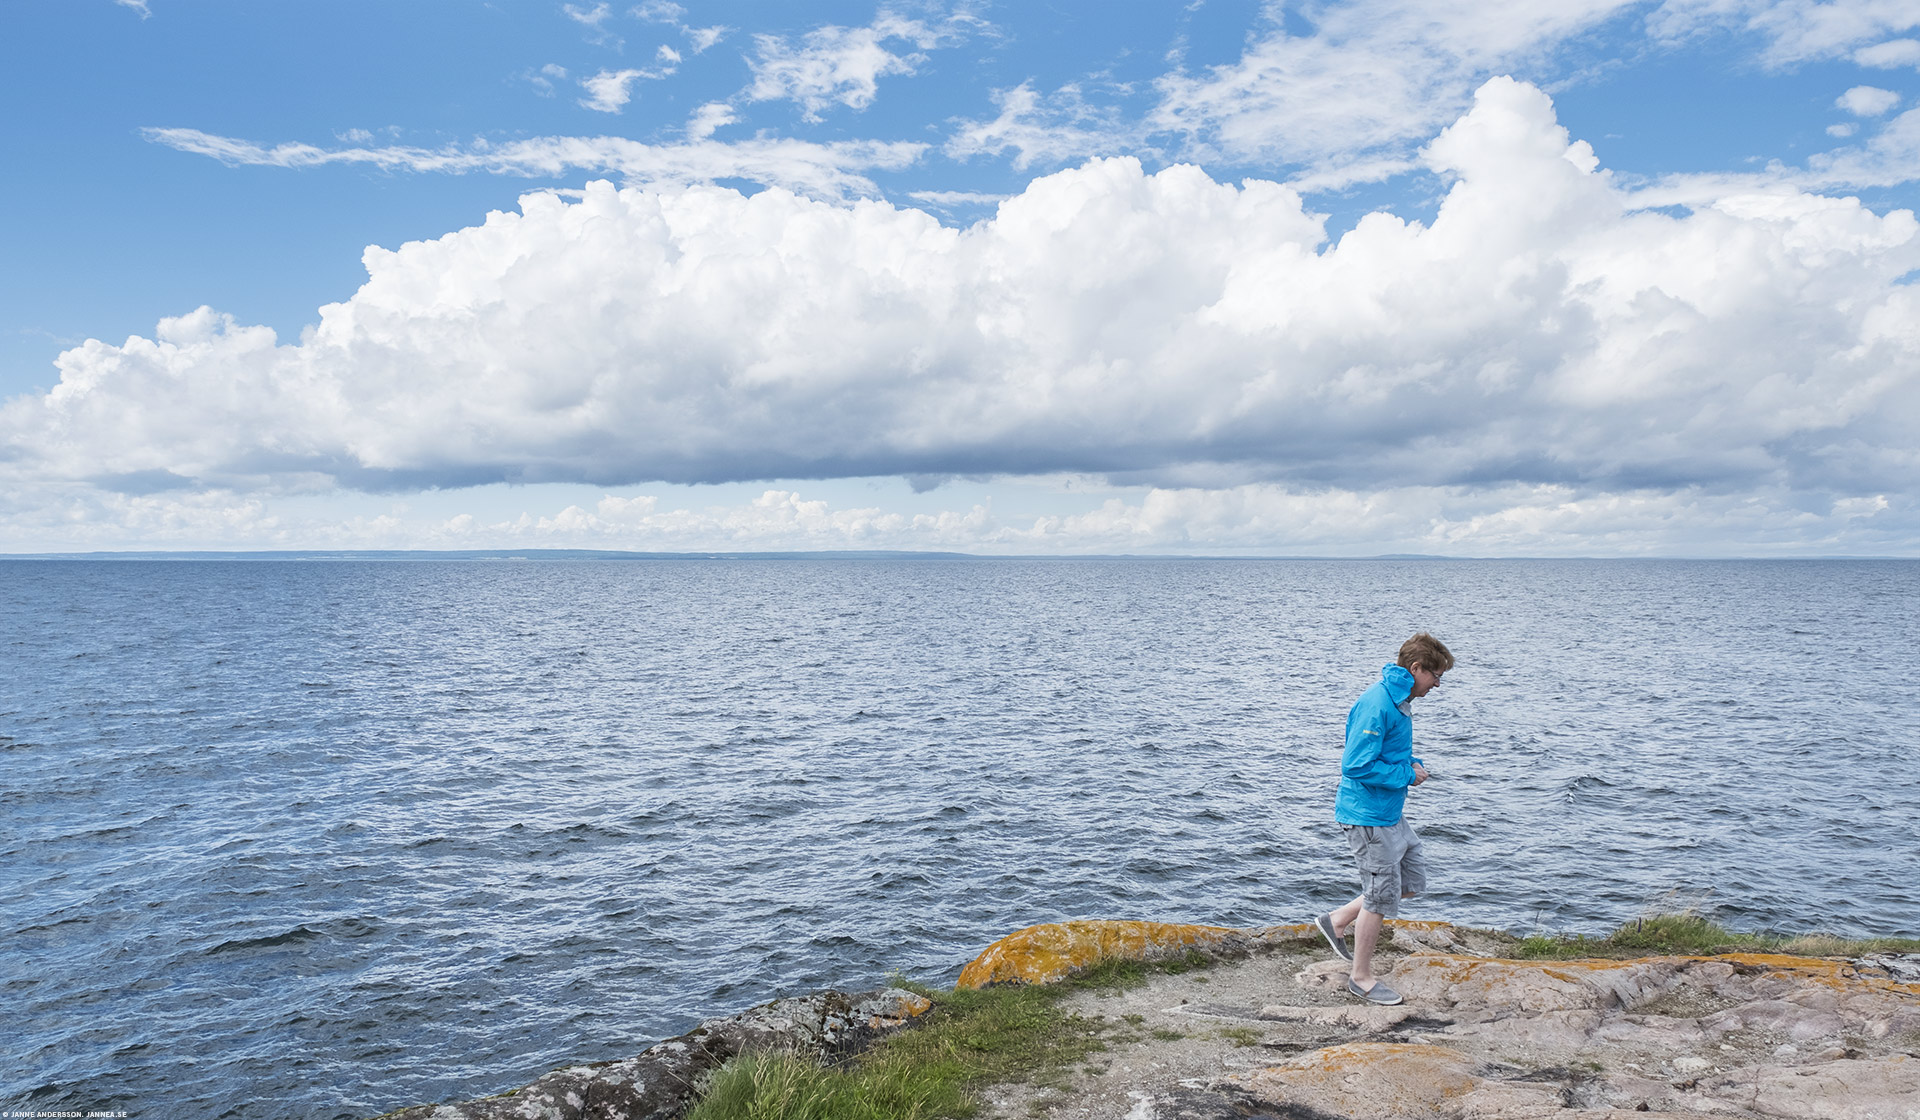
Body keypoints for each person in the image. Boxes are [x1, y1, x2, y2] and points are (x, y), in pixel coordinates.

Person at [1314, 632, 1454, 1005]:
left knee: (1410, 881)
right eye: (1435, 675)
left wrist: (1412, 762)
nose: (1438, 684)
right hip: (1368, 816)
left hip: (1389, 813)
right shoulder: (1378, 703)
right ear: (1416, 668)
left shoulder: (1401, 700)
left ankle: (1338, 919)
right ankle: (1360, 978)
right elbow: (1356, 765)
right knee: (1380, 896)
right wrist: (1407, 775)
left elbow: (1388, 752)